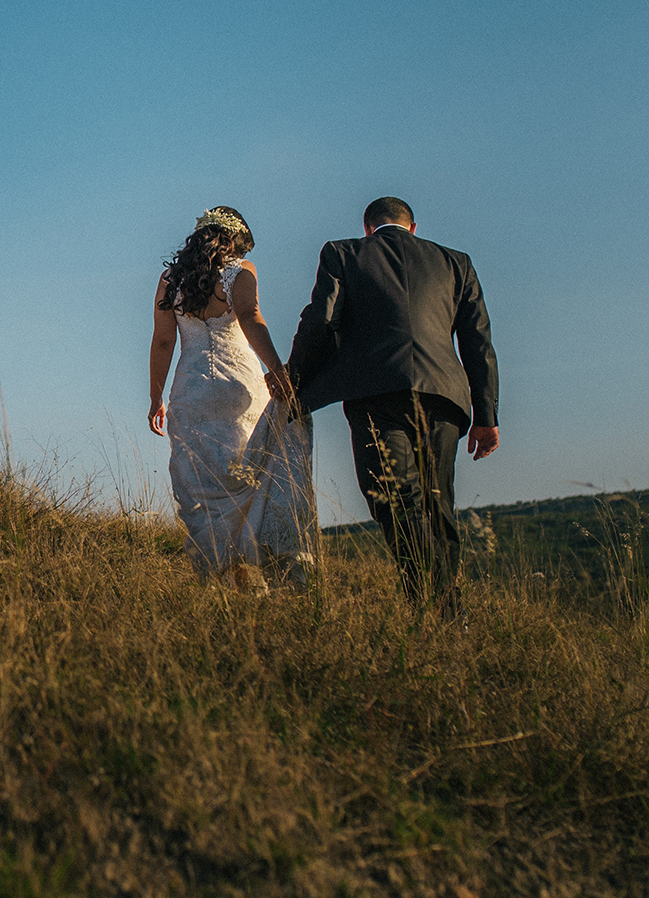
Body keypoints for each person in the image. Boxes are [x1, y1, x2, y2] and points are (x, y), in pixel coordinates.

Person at [286, 196, 500, 615]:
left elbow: (320, 320)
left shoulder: (342, 253)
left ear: (368, 228)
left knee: (394, 498)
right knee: (437, 505)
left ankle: (433, 606)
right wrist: (486, 416)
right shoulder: (456, 262)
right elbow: (478, 341)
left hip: (374, 392)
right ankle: (444, 610)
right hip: (444, 396)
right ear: (413, 227)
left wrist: (296, 382)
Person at [149, 207, 317, 590]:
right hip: (239, 384)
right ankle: (257, 565)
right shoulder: (240, 272)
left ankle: (222, 574)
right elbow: (250, 316)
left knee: (204, 481)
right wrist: (276, 369)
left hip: (191, 390)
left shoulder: (170, 280)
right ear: (235, 239)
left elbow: (163, 341)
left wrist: (155, 395)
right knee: (253, 471)